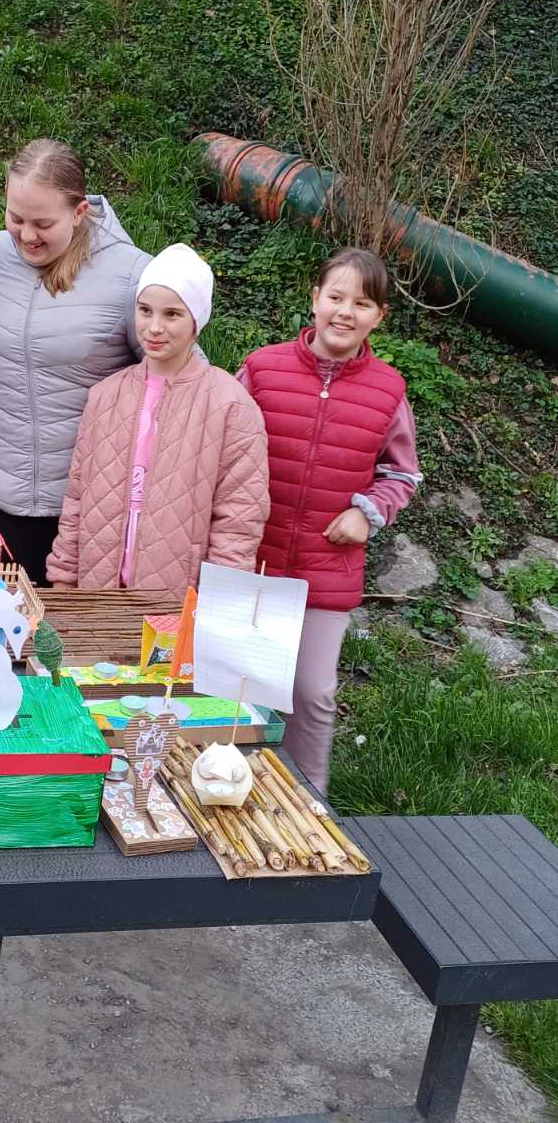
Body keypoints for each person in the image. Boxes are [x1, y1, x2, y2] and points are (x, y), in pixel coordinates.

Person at [237, 247, 422, 794]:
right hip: (253, 561)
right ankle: (232, 788)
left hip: (327, 570)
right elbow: (219, 445)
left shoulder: (388, 390)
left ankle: (309, 801)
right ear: (315, 298)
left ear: (379, 316)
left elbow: (402, 474)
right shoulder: (262, 369)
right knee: (243, 688)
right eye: (336, 297)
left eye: (361, 303)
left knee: (312, 691)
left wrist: (368, 512)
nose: (345, 311)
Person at [0, 138, 151, 584]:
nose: (27, 235)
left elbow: (181, 382)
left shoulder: (132, 275)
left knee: (71, 629)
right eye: (16, 218)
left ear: (80, 212)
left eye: (43, 223)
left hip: (90, 512)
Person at [45, 244, 270, 597]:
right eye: (145, 310)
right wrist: (64, 575)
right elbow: (76, 499)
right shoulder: (105, 396)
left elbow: (238, 520)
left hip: (178, 602)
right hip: (97, 595)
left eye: (172, 314)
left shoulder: (231, 406)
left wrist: (219, 601)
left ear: (196, 321)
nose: (154, 327)